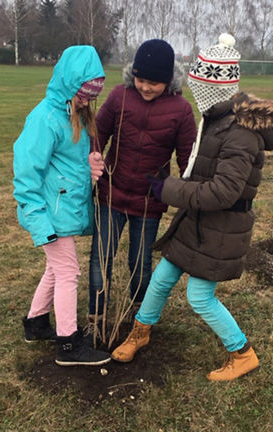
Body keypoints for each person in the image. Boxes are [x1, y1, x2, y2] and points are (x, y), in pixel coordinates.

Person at [109, 34, 273, 382]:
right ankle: (140, 333)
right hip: (199, 220)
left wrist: (167, 189)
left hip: (221, 226)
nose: (195, 94)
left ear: (216, 88)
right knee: (161, 279)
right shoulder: (218, 118)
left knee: (200, 296)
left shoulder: (239, 132)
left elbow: (223, 192)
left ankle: (242, 353)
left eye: (200, 87)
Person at [86, 39, 197, 340]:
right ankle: (95, 320)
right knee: (101, 257)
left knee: (140, 262)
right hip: (111, 193)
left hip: (149, 203)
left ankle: (139, 320)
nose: (146, 87)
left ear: (168, 81)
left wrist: (185, 192)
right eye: (141, 80)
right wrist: (95, 156)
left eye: (154, 82)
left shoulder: (182, 111)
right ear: (132, 75)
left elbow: (187, 158)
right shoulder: (120, 96)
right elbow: (98, 132)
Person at [13, 45, 111, 366]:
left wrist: (91, 164)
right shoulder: (44, 118)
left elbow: (67, 164)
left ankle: (36, 323)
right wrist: (40, 224)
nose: (86, 100)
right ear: (69, 84)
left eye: (91, 95)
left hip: (62, 211)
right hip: (48, 215)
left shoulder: (73, 115)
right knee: (69, 271)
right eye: (83, 93)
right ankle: (68, 344)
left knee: (55, 270)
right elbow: (27, 176)